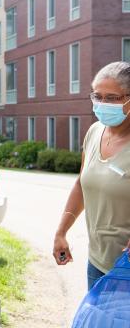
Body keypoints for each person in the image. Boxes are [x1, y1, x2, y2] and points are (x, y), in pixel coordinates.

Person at [53, 61, 130, 290]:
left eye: (112, 98)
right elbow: (81, 185)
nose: (103, 104)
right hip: (97, 262)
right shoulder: (95, 131)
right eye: (98, 96)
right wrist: (61, 231)